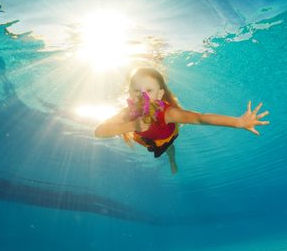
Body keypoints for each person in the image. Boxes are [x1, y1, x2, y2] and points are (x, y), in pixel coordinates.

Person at [94, 67, 270, 174]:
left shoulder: (169, 113)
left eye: (149, 90)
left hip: (167, 136)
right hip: (145, 138)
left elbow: (200, 118)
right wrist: (132, 125)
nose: (143, 95)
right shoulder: (127, 114)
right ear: (130, 93)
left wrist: (238, 122)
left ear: (160, 94)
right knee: (150, 146)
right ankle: (166, 154)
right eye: (136, 91)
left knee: (169, 148)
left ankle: (172, 159)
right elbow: (99, 131)